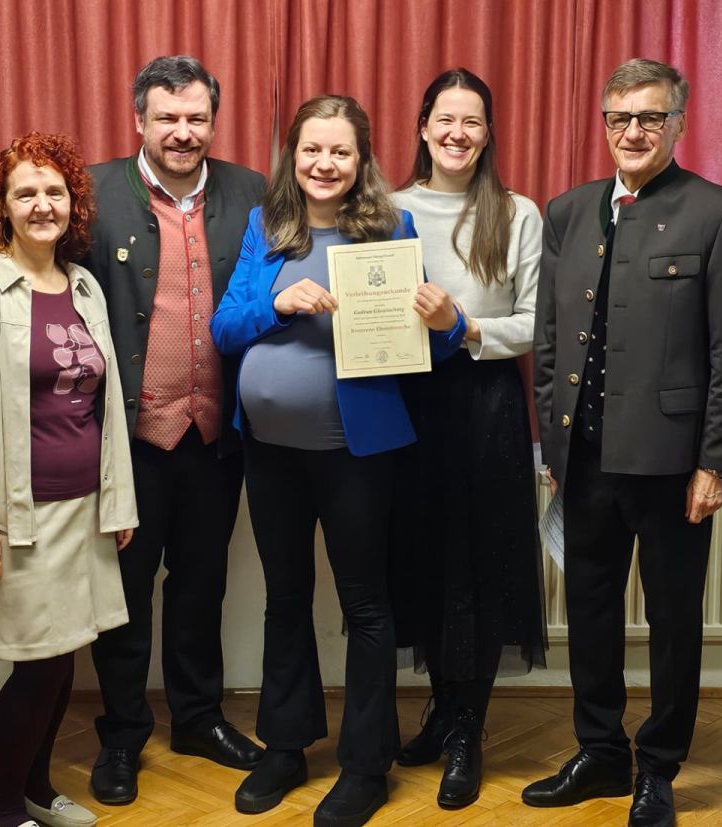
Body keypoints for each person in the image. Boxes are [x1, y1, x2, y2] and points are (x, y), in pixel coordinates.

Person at [0, 56, 267, 806]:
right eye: (167, 117)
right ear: (139, 120)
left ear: (214, 121)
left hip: (215, 437)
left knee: (203, 584)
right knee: (124, 596)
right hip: (127, 441)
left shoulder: (251, 192)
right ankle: (122, 734)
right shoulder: (94, 192)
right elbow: (23, 260)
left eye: (197, 117)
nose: (183, 131)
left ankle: (199, 718)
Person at [210, 95, 465, 827]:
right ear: (293, 155)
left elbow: (428, 345)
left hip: (356, 452)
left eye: (340, 152)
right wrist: (278, 303)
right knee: (285, 596)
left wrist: (446, 322)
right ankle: (286, 747)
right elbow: (224, 329)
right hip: (270, 453)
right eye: (312, 150)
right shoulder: (265, 226)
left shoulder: (391, 229)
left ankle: (365, 766)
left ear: (362, 161)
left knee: (366, 606)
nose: (324, 164)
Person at [522, 59, 722, 827]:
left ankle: (657, 767)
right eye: (620, 117)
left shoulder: (717, 212)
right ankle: (600, 752)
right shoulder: (567, 212)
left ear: (677, 124)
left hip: (671, 465)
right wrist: (553, 450)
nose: (633, 131)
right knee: (589, 611)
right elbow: (550, 342)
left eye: (650, 117)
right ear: (604, 123)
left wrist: (716, 461)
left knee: (673, 621)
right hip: (584, 460)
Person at [0, 132, 137, 827]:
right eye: (26, 193)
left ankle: (41, 793)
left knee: (64, 653)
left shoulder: (84, 285)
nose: (43, 204)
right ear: (3, 205)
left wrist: (119, 500)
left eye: (55, 191)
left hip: (85, 506)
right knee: (36, 662)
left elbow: (107, 404)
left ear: (73, 202)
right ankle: (5, 809)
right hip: (18, 512)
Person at [388, 68, 547, 809]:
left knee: (480, 568)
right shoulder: (387, 208)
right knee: (422, 560)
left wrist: (465, 326)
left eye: (472, 121)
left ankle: (466, 731)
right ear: (424, 127)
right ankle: (441, 710)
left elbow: (536, 323)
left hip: (485, 403)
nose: (457, 133)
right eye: (445, 119)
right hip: (407, 403)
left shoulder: (516, 213)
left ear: (487, 134)